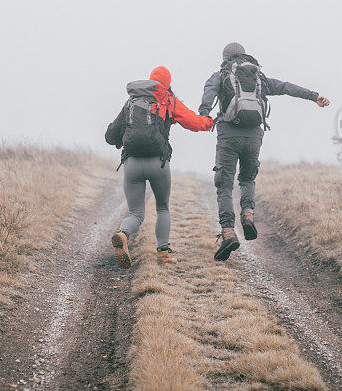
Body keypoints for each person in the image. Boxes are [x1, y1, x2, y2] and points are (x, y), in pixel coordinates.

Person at [198, 43, 330, 261]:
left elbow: (209, 91)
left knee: (224, 184)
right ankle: (248, 215)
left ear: (225, 57)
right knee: (248, 179)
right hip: (254, 136)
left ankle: (228, 232)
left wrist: (204, 112)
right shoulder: (258, 76)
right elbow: (286, 87)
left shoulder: (221, 74)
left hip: (228, 136)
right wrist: (314, 96)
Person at [105, 66, 214, 269]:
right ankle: (163, 254)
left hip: (132, 164)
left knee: (136, 214)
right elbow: (193, 122)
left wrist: (121, 139)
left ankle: (122, 234)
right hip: (158, 164)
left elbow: (110, 135)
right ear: (167, 84)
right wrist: (209, 122)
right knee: (162, 207)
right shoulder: (168, 100)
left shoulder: (132, 102)